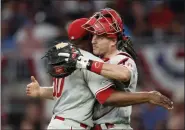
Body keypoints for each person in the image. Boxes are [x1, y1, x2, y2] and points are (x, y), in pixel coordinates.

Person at [26, 18, 173, 130]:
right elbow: (108, 96)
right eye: (94, 35)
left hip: (56, 124)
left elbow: (71, 92)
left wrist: (41, 91)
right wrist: (147, 96)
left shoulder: (65, 56)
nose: (96, 38)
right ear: (89, 38)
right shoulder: (88, 60)